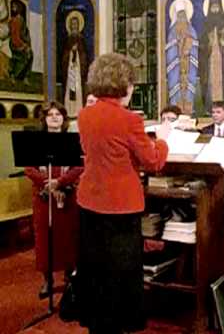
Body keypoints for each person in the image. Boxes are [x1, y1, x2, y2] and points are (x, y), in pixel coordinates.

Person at [76, 53, 170, 334]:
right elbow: (153, 161)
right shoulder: (129, 119)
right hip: (120, 205)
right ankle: (119, 322)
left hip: (89, 201)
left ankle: (96, 322)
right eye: (131, 84)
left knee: (95, 266)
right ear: (124, 85)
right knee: (121, 269)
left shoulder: (85, 115)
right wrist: (163, 138)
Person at [25, 101, 83, 298]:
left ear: (64, 119)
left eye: (58, 114)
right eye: (51, 115)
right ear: (45, 119)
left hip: (65, 194)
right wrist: (47, 183)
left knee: (68, 236)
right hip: (43, 198)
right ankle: (47, 280)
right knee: (44, 239)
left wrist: (60, 182)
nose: (55, 117)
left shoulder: (72, 141)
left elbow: (78, 167)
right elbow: (29, 169)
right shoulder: (35, 142)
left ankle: (69, 278)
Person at [199, 0, 224, 112]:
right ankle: (210, 106)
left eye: (216, 6)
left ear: (220, 8)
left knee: (222, 82)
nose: (215, 9)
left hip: (222, 61)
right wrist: (208, 44)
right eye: (212, 7)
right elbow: (201, 46)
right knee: (210, 82)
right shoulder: (205, 26)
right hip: (210, 61)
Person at [166, 0, 198, 115]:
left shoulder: (191, 30)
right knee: (177, 88)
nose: (181, 19)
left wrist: (188, 46)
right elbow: (170, 50)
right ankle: (177, 110)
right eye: (179, 16)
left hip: (188, 64)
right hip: (176, 65)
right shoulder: (172, 32)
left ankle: (189, 110)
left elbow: (194, 46)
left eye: (183, 16)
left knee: (188, 87)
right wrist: (178, 47)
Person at [62, 12, 89, 118]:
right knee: (70, 89)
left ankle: (78, 111)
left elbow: (84, 55)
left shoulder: (81, 39)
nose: (74, 26)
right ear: (69, 26)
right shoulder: (68, 39)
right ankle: (69, 111)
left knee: (78, 89)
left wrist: (77, 54)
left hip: (78, 70)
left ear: (78, 25)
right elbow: (64, 54)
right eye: (72, 24)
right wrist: (70, 53)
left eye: (76, 24)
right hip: (70, 70)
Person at [8, 1, 33, 84]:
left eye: (14, 7)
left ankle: (25, 77)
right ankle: (13, 75)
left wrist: (26, 45)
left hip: (21, 43)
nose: (12, 8)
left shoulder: (21, 19)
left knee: (30, 54)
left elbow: (25, 33)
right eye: (12, 7)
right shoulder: (13, 21)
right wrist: (24, 46)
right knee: (25, 55)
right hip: (15, 44)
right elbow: (15, 37)